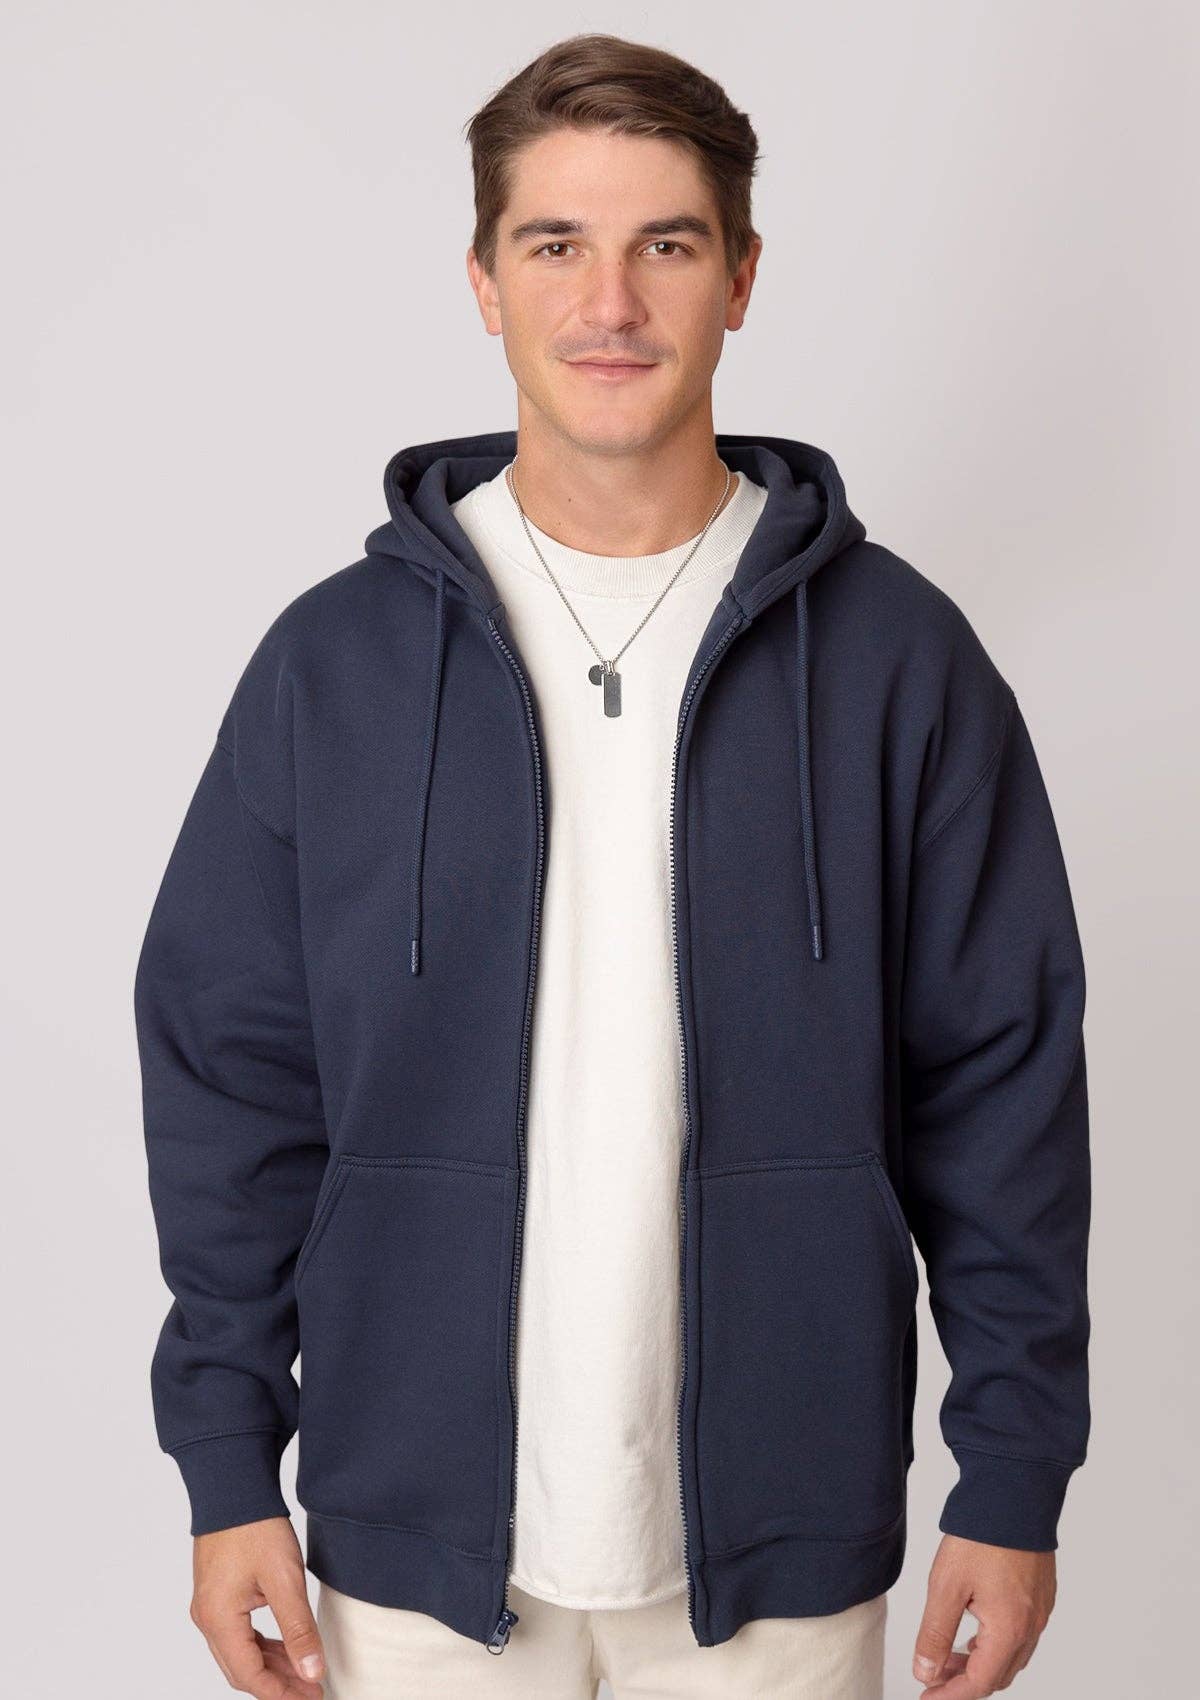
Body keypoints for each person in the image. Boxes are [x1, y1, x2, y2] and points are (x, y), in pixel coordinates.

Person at [134, 31, 1091, 1700]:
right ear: (484, 283)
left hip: (782, 1555)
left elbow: (1002, 1088)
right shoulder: (334, 668)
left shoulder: (899, 661)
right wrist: (229, 1469)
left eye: (666, 243)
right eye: (555, 244)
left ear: (742, 278)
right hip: (415, 1552)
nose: (611, 304)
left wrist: (1012, 1480)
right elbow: (231, 1077)